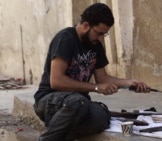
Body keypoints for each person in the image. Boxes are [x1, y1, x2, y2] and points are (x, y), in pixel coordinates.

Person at [33, 3, 150, 141]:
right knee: (78, 102)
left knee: (102, 115)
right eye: (99, 33)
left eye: (104, 34)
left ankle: (63, 135)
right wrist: (95, 88)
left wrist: (129, 82)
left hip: (79, 106)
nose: (101, 39)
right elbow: (56, 81)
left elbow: (103, 78)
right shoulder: (65, 39)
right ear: (86, 25)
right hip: (50, 100)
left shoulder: (96, 46)